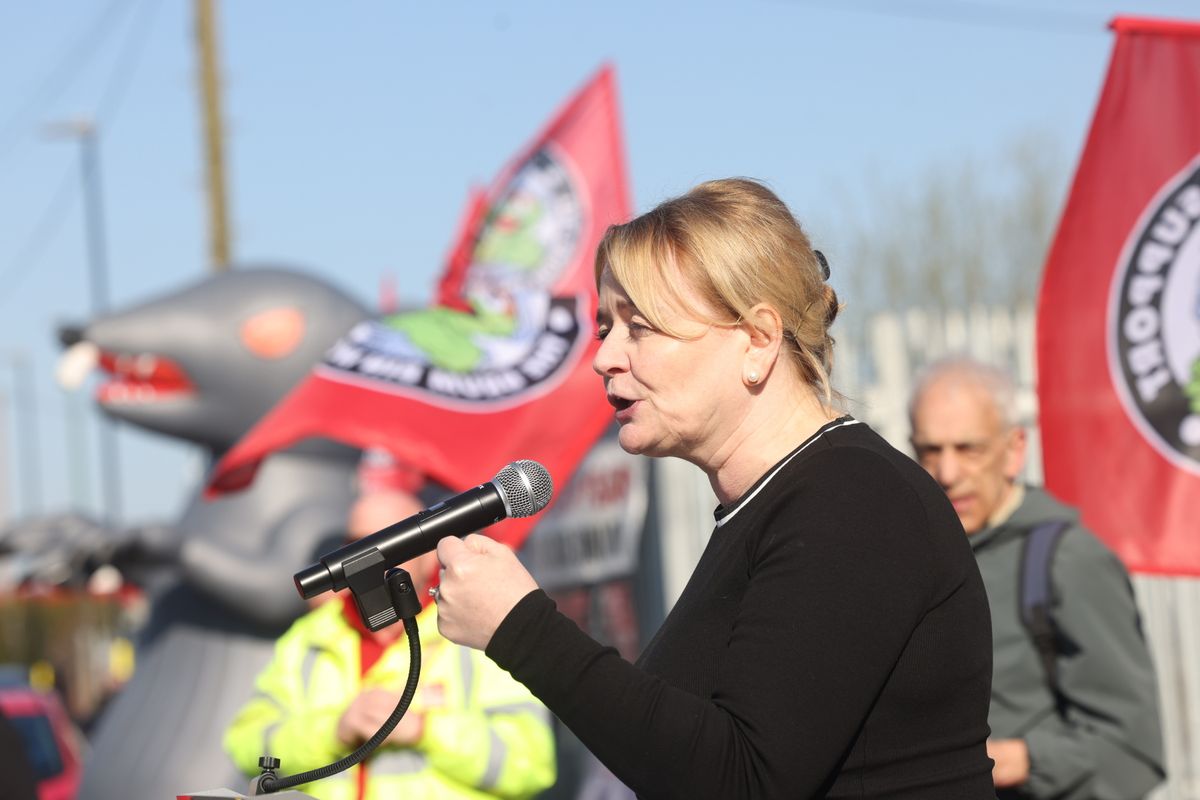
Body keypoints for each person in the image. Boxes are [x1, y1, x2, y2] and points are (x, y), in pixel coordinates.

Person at [431, 177, 997, 799]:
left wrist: (522, 628)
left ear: (757, 340)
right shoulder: (778, 503)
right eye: (604, 328)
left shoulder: (852, 498)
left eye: (639, 327)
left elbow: (744, 778)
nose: (605, 357)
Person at [907, 356, 1166, 799]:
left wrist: (1016, 760)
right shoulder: (909, 558)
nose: (947, 474)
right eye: (930, 451)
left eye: (970, 450)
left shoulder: (1068, 559)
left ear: (1015, 450)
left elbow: (1132, 751)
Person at [223, 487, 557, 800]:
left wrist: (424, 729)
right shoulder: (309, 637)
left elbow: (532, 763)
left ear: (431, 555)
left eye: (392, 541)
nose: (368, 557)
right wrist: (334, 730)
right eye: (354, 543)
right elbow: (245, 745)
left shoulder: (476, 633)